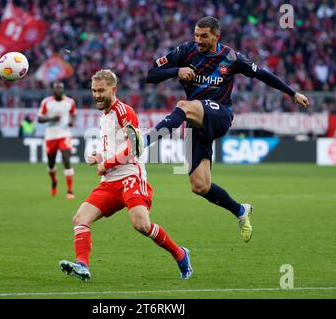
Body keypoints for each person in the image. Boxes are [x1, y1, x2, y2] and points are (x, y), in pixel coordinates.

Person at [128, 16, 310, 243]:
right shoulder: (186, 51)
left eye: (204, 36)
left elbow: (262, 74)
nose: (198, 40)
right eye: (196, 35)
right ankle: (240, 210)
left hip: (220, 114)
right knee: (199, 186)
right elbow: (151, 74)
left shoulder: (231, 57)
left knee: (183, 106)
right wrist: (177, 70)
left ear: (216, 36)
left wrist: (293, 93)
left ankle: (145, 141)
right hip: (197, 121)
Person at [59, 69, 192, 281]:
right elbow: (114, 147)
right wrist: (98, 156)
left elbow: (136, 148)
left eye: (101, 90)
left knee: (141, 225)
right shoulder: (104, 117)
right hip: (110, 182)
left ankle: (181, 254)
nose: (97, 95)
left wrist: (107, 163)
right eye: (94, 90)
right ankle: (82, 265)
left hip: (131, 176)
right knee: (80, 219)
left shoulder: (124, 111)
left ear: (113, 89)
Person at [38, 82, 77, 199]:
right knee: (51, 164)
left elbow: (73, 114)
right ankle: (54, 181)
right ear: (53, 90)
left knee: (66, 159)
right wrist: (51, 118)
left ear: (63, 89)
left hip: (64, 133)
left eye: (60, 88)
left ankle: (70, 191)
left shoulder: (70, 102)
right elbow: (40, 118)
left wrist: (72, 121)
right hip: (51, 135)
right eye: (56, 88)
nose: (58, 90)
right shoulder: (47, 102)